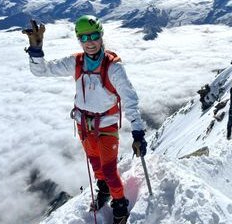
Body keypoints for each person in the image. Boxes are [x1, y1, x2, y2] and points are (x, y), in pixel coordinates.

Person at [22, 16, 147, 224]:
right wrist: (36, 48)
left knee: (108, 170)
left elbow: (130, 98)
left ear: (101, 36)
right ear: (79, 39)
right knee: (96, 164)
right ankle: (104, 191)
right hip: (84, 124)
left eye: (94, 36)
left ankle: (120, 205)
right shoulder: (76, 62)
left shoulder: (113, 67)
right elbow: (41, 71)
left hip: (106, 125)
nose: (89, 42)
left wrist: (138, 132)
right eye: (84, 37)